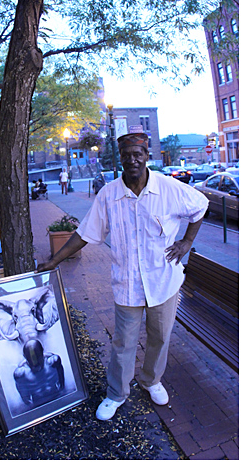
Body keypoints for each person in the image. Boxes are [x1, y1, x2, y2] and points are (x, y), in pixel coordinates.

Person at [37, 129, 208, 421]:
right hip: (127, 284)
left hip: (163, 281)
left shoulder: (169, 189)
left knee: (159, 337)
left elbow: (200, 206)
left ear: (146, 157)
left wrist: (187, 242)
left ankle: (151, 380)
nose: (132, 160)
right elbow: (85, 234)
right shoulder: (109, 194)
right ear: (120, 158)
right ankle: (116, 393)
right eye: (126, 155)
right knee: (123, 342)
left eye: (137, 155)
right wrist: (54, 260)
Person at [14, 339, 65, 407]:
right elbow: (25, 399)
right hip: (38, 405)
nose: (35, 362)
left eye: (37, 358)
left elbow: (62, 382)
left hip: (57, 398)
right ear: (25, 357)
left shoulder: (53, 361)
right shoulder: (20, 374)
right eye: (31, 359)